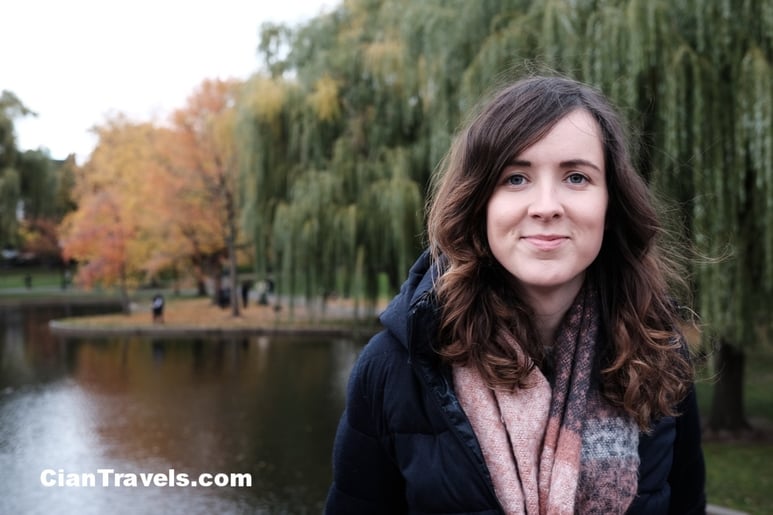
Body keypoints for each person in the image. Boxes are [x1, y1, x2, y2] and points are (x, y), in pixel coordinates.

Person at [325, 76, 706, 514]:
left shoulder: (660, 357)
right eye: (516, 178)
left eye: (577, 177)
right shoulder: (396, 368)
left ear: (611, 203)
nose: (546, 206)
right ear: (480, 202)